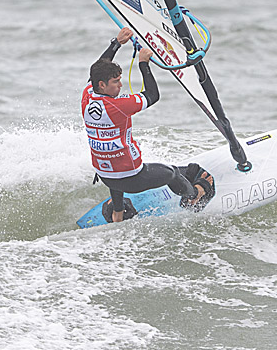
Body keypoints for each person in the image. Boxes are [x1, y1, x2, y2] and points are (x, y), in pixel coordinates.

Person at [82, 26, 215, 223]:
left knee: (113, 162)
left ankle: (118, 213)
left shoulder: (87, 95)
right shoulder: (118, 106)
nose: (120, 85)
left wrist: (117, 43)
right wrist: (143, 64)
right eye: (116, 82)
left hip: (105, 175)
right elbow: (153, 95)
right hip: (131, 178)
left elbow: (96, 70)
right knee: (171, 173)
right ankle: (194, 196)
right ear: (102, 85)